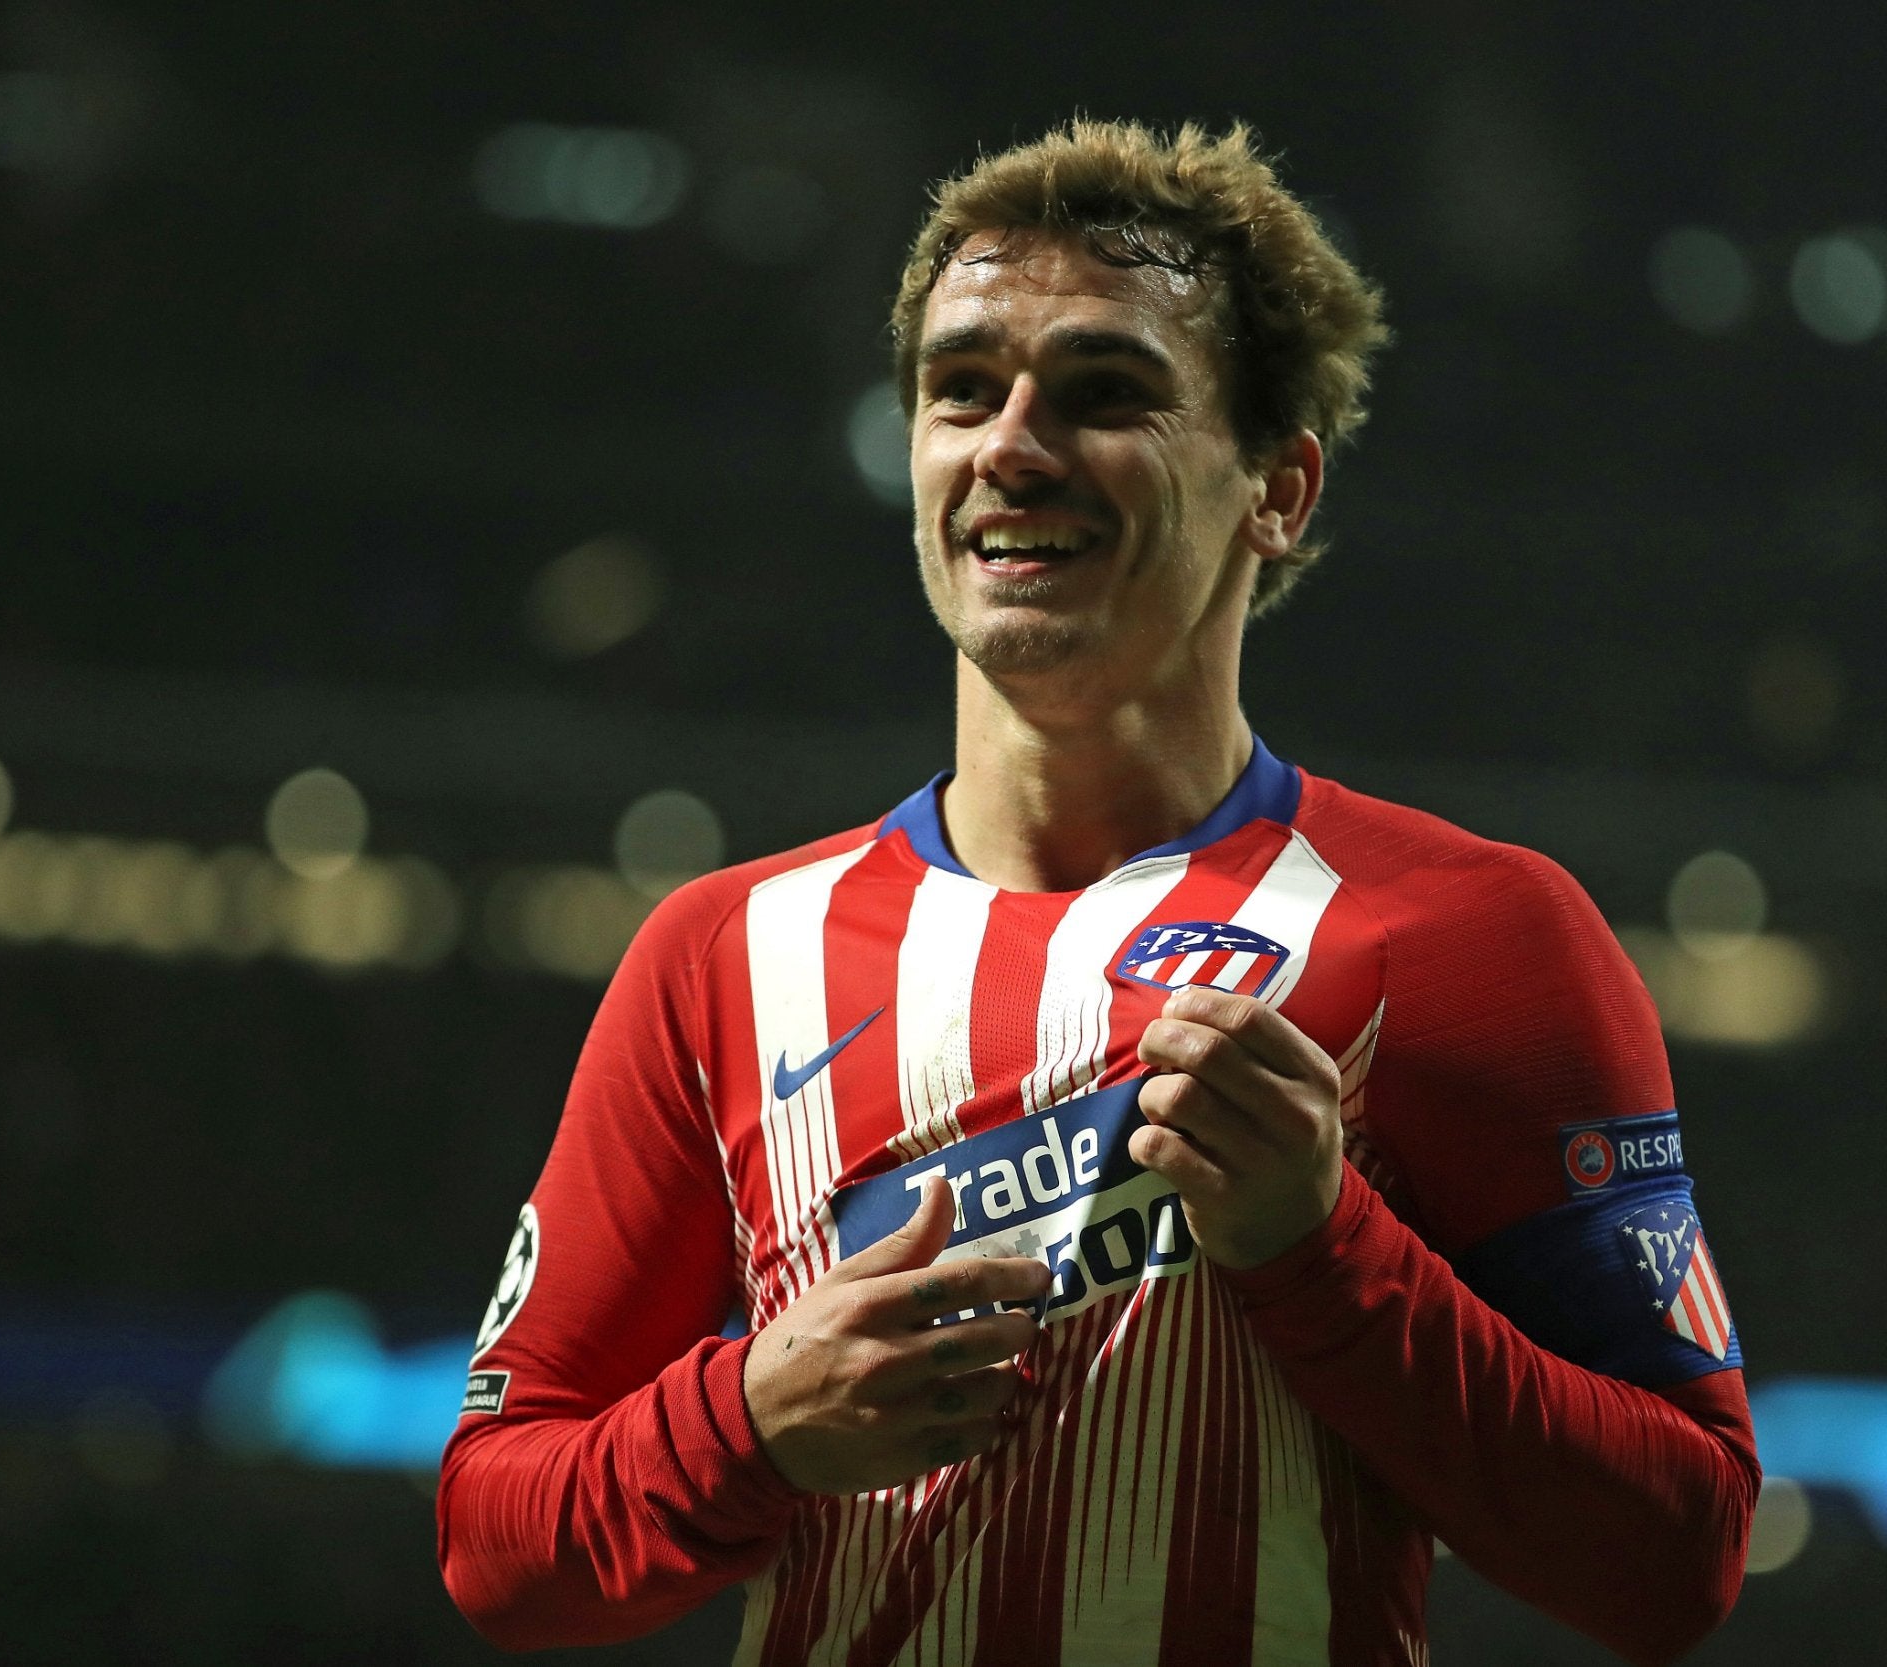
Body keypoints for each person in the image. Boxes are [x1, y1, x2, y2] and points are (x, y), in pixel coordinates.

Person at [438, 118, 1758, 1667]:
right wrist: (752, 1421)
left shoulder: (1470, 936)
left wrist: (1325, 1251)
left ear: (1277, 486)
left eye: (1105, 394)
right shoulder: (724, 954)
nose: (1008, 443)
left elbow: (1681, 1555)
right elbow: (494, 1542)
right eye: (960, 387)